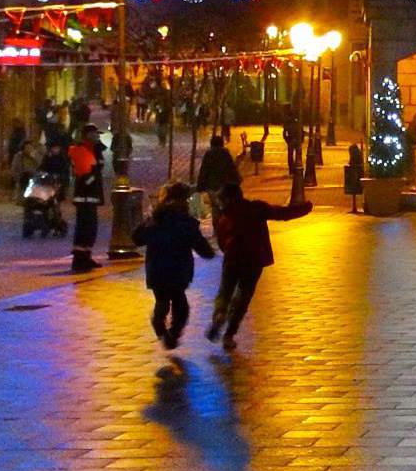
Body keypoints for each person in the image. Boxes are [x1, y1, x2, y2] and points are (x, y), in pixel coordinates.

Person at [207, 182, 311, 350]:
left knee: (225, 292)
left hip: (232, 259)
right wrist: (305, 208)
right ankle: (229, 335)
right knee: (243, 297)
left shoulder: (224, 217)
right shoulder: (256, 208)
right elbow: (282, 213)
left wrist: (228, 251)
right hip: (254, 259)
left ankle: (219, 314)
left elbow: (221, 241)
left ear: (225, 200)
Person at [132, 183, 216, 350]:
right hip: (179, 271)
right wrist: (209, 252)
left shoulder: (156, 218)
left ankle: (159, 323)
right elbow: (201, 246)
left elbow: (137, 238)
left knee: (162, 301)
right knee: (180, 305)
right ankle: (174, 333)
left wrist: (147, 221)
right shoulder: (186, 222)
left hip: (157, 270)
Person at [68, 124, 107, 272]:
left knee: (91, 228)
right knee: (84, 228)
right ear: (87, 135)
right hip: (84, 196)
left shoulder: (95, 149)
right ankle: (79, 260)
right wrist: (93, 178)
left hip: (92, 195)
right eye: (95, 134)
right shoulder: (80, 150)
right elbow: (85, 176)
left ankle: (86, 256)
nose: (97, 136)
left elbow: (98, 168)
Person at [196, 134, 242, 219]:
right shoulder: (226, 153)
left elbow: (204, 170)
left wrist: (200, 186)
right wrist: (237, 180)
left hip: (212, 186)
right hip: (224, 186)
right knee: (225, 206)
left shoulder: (209, 154)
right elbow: (231, 168)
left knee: (215, 207)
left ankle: (217, 225)